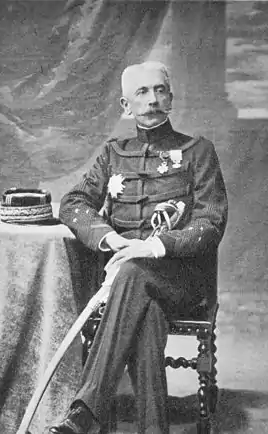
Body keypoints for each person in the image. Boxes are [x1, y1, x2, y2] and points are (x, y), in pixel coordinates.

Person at [49, 61, 228, 434]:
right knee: (145, 314)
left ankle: (86, 409)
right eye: (142, 93)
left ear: (171, 98)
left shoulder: (199, 152)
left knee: (134, 273)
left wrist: (154, 247)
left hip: (182, 282)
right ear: (125, 106)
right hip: (131, 288)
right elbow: (74, 203)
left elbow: (210, 223)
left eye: (160, 90)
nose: (153, 100)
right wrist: (110, 238)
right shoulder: (113, 154)